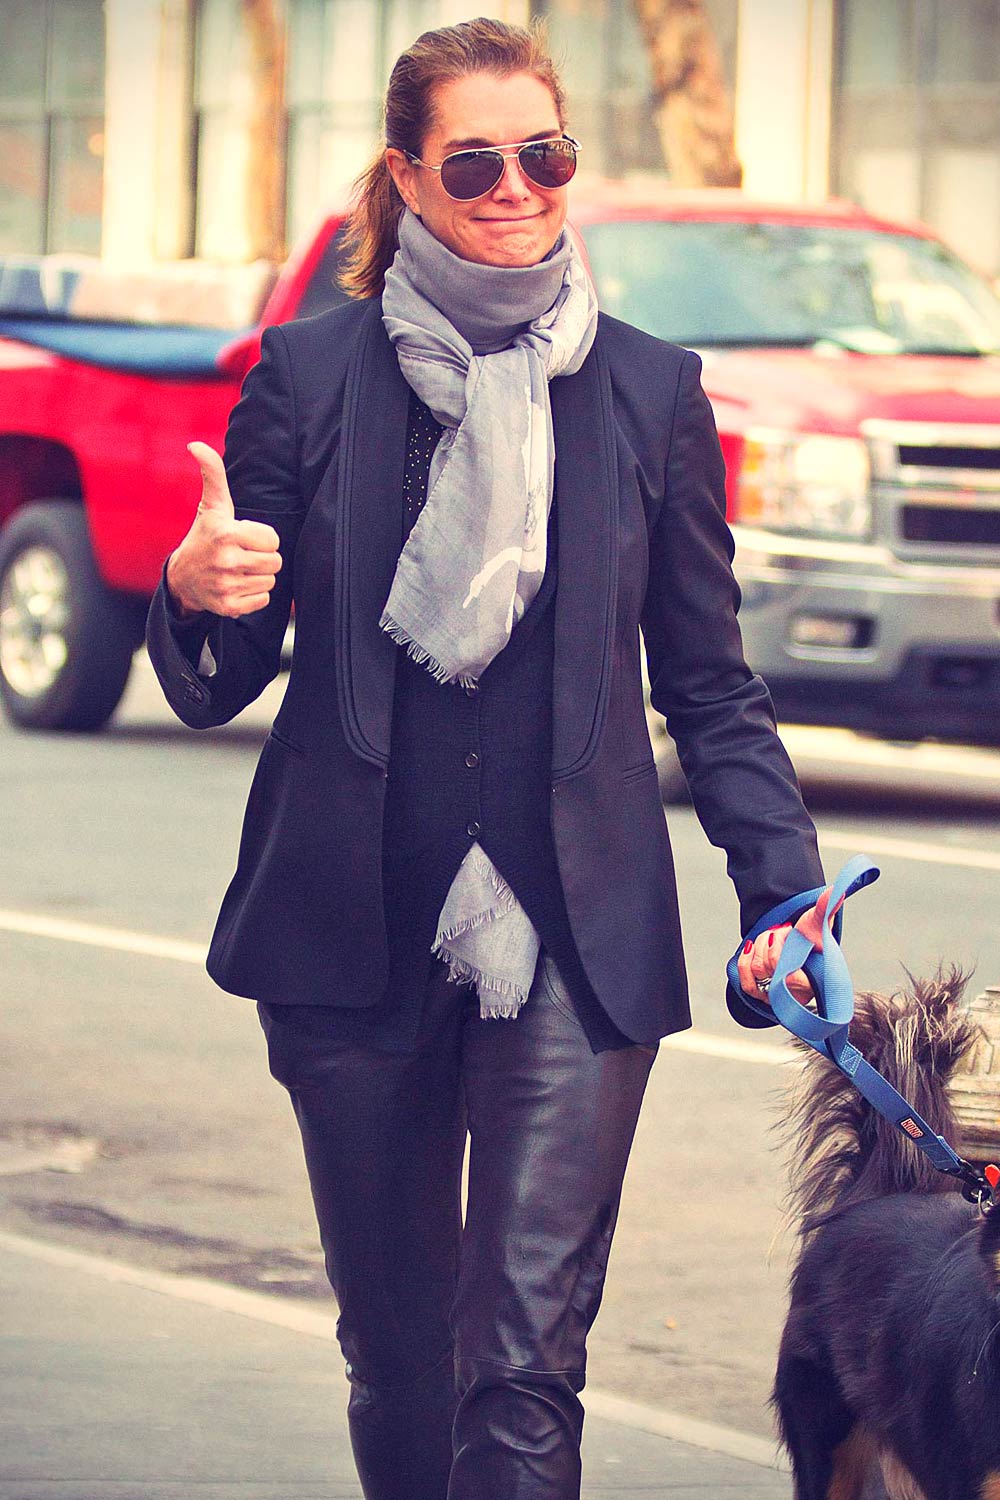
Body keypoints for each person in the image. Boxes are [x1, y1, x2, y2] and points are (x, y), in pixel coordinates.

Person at [146, 18, 830, 1500]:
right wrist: (197, 596)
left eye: (546, 155)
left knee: (523, 1366)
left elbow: (712, 684)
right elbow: (222, 673)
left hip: (577, 946)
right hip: (351, 939)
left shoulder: (648, 394)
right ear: (408, 174)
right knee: (401, 1357)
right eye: (477, 161)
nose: (518, 186)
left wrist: (785, 894)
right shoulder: (310, 380)